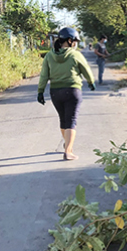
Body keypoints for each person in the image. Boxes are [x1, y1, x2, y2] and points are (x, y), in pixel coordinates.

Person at [37, 27, 95, 161]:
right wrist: (91, 82)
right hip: (72, 90)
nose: (75, 44)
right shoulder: (75, 55)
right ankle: (68, 151)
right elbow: (85, 69)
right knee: (71, 121)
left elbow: (44, 75)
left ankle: (67, 144)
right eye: (74, 41)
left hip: (55, 92)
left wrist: (40, 91)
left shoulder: (49, 56)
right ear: (69, 41)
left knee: (63, 120)